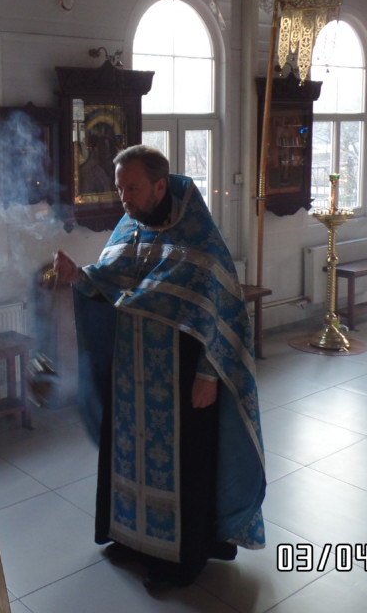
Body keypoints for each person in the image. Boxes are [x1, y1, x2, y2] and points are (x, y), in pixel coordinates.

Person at [53, 145, 265, 591]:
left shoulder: (200, 239)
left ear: (159, 186)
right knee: (129, 459)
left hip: (181, 379)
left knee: (182, 468)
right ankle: (131, 539)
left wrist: (208, 374)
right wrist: (79, 276)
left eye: (132, 188)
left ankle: (179, 562)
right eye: (120, 189)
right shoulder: (131, 226)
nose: (124, 198)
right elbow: (110, 280)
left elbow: (221, 312)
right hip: (132, 377)